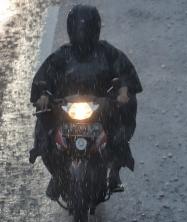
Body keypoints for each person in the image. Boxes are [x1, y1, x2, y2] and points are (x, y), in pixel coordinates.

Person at [29, 4, 142, 199]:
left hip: (101, 108)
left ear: (95, 28)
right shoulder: (62, 55)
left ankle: (114, 172)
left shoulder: (107, 52)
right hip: (66, 109)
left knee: (118, 133)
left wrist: (123, 91)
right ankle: (58, 175)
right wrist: (44, 96)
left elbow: (125, 72)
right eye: (79, 28)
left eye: (86, 28)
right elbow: (44, 78)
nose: (82, 33)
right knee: (44, 136)